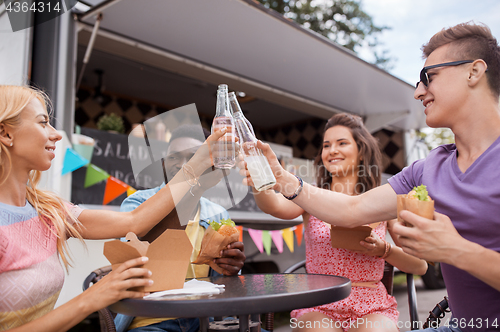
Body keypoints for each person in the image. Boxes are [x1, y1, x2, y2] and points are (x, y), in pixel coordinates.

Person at [240, 22, 500, 332]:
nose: (418, 92)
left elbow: (419, 264)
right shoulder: (427, 169)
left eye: (428, 78)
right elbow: (351, 211)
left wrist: (453, 249)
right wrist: (281, 178)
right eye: (326, 145)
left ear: (473, 72)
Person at [0, 85, 226, 331]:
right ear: (5, 133)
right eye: (43, 123)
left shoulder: (49, 210)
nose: (56, 135)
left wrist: (199, 164)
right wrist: (91, 298)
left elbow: (134, 222)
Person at [250, 113, 427, 332]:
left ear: (361, 152)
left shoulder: (381, 201)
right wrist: (258, 182)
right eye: (326, 145)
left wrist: (385, 250)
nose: (332, 150)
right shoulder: (310, 196)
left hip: (371, 305)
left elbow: (420, 265)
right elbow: (274, 206)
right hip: (318, 302)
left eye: (342, 143)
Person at [114, 124, 246, 332]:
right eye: (175, 157)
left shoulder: (218, 215)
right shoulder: (137, 204)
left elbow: (226, 285)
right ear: (164, 163)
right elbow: (131, 265)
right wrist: (190, 187)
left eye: (193, 158)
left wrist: (231, 269)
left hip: (207, 320)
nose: (184, 165)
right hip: (151, 320)